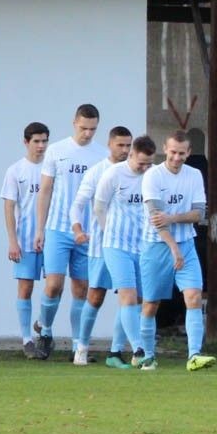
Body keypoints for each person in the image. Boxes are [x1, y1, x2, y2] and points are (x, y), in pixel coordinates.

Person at [137, 129, 215, 372]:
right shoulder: (153, 176)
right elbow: (156, 220)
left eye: (182, 153)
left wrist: (174, 217)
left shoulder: (194, 175)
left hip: (186, 244)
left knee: (193, 296)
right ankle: (147, 355)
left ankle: (194, 355)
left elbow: (198, 213)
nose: (177, 158)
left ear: (189, 152)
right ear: (165, 149)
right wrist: (173, 248)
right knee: (151, 304)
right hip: (156, 246)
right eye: (173, 152)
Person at [33, 103, 104, 359]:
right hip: (58, 229)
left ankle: (78, 345)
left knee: (82, 288)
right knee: (53, 285)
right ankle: (46, 331)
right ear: (75, 123)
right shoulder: (56, 151)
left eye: (93, 129)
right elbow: (45, 190)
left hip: (86, 234)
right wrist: (39, 229)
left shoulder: (101, 155)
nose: (87, 133)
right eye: (84, 128)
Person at [69, 126, 133, 366]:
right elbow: (78, 204)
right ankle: (81, 348)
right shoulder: (98, 172)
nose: (125, 150)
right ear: (110, 144)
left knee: (130, 297)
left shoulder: (137, 172)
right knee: (95, 296)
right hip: (101, 246)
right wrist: (77, 229)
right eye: (120, 145)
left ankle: (115, 352)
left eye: (128, 146)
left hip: (130, 247)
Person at [93, 134, 157, 368]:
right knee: (127, 296)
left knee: (137, 300)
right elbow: (99, 206)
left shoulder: (154, 174)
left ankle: (114, 353)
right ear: (131, 155)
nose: (145, 167)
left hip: (143, 246)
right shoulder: (113, 174)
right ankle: (140, 349)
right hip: (116, 245)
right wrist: (107, 231)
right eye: (141, 163)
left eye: (149, 163)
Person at [0, 122, 50, 358]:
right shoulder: (16, 170)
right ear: (26, 142)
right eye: (36, 141)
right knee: (26, 286)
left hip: (52, 238)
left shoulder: (52, 168)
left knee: (55, 286)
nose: (41, 146)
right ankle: (27, 340)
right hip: (26, 238)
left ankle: (42, 323)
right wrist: (13, 241)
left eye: (44, 141)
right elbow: (9, 207)